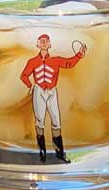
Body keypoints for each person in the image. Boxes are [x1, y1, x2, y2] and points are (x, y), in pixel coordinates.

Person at [19, 34, 87, 163]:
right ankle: (42, 152)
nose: (44, 43)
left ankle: (59, 153)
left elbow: (69, 63)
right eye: (42, 41)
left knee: (56, 120)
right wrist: (30, 86)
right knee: (40, 120)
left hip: (51, 91)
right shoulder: (32, 62)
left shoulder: (56, 60)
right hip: (38, 90)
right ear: (37, 44)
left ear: (50, 45)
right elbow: (24, 75)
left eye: (46, 41)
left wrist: (79, 55)